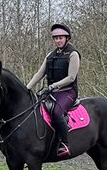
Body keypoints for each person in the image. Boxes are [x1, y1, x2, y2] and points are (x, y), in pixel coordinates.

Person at [28, 22, 80, 157]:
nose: (58, 41)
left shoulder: (73, 54)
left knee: (56, 113)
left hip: (68, 92)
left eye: (60, 38)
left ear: (66, 38)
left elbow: (71, 77)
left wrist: (53, 86)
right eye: (56, 38)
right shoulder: (50, 55)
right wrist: (27, 88)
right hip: (52, 92)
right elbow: (39, 74)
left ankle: (64, 144)